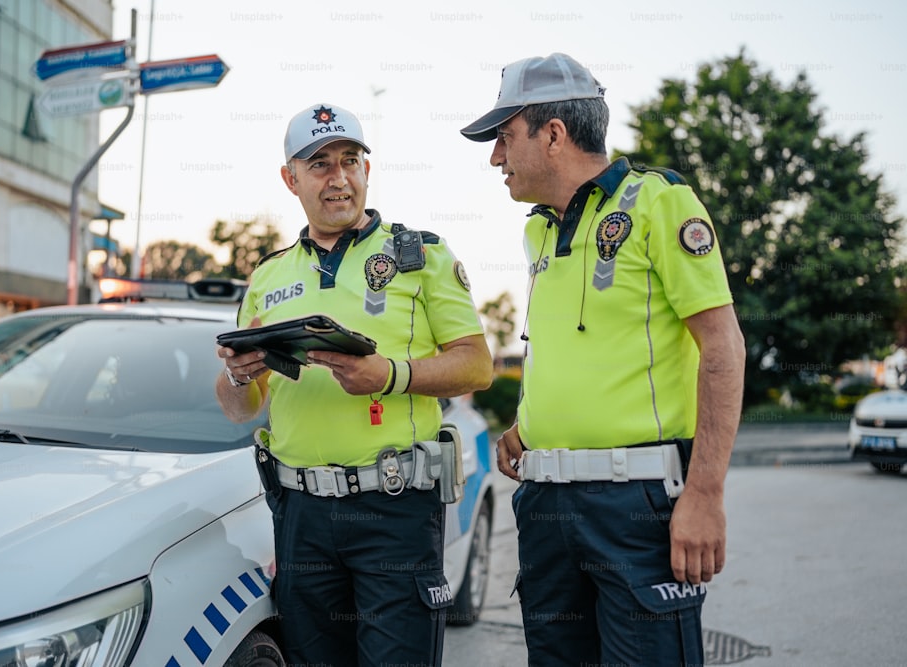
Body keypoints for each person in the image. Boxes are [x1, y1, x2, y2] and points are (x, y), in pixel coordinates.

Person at [460, 53, 746, 666]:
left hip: (636, 505)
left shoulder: (659, 203)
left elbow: (722, 348)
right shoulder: (539, 229)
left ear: (554, 135)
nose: (495, 158)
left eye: (505, 138)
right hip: (545, 505)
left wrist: (705, 492)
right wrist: (528, 426)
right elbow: (575, 347)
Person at [217, 102, 493, 667]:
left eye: (350, 160)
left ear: (369, 169)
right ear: (290, 179)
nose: (338, 178)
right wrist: (237, 373)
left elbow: (477, 365)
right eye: (319, 164)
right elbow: (240, 409)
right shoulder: (268, 275)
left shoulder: (419, 255)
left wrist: (388, 375)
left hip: (394, 508)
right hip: (300, 513)